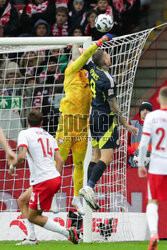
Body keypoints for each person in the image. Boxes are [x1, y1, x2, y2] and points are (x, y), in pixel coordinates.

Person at [56, 34, 113, 215]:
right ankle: (51, 197)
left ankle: (76, 199)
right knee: (60, 161)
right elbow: (84, 54)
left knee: (80, 163)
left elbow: (87, 57)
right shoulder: (71, 70)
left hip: (82, 124)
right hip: (67, 121)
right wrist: (99, 41)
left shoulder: (89, 76)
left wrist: (77, 46)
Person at [78, 37, 138, 210]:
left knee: (95, 156)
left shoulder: (91, 68)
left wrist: (76, 46)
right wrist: (126, 125)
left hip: (93, 116)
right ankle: (89, 186)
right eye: (107, 53)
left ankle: (89, 189)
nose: (109, 55)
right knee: (107, 158)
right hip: (105, 118)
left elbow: (82, 55)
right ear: (104, 60)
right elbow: (114, 106)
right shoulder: (108, 79)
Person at [8, 109, 78, 245]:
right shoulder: (49, 136)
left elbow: (22, 156)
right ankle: (31, 238)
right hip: (52, 178)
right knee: (22, 201)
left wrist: (12, 166)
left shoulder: (24, 133)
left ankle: (68, 232)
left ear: (27, 122)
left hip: (43, 181)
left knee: (33, 216)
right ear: (41, 122)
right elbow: (60, 160)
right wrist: (56, 179)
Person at [137, 86, 167, 250]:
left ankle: (154, 233)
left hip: (156, 165)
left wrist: (141, 164)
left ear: (158, 100)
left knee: (152, 202)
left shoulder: (152, 117)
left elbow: (143, 144)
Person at [128, 100, 153, 168]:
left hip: (152, 165)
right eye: (143, 110)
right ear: (139, 112)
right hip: (134, 164)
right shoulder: (132, 125)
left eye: (147, 110)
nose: (145, 112)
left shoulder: (156, 127)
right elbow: (123, 144)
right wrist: (134, 151)